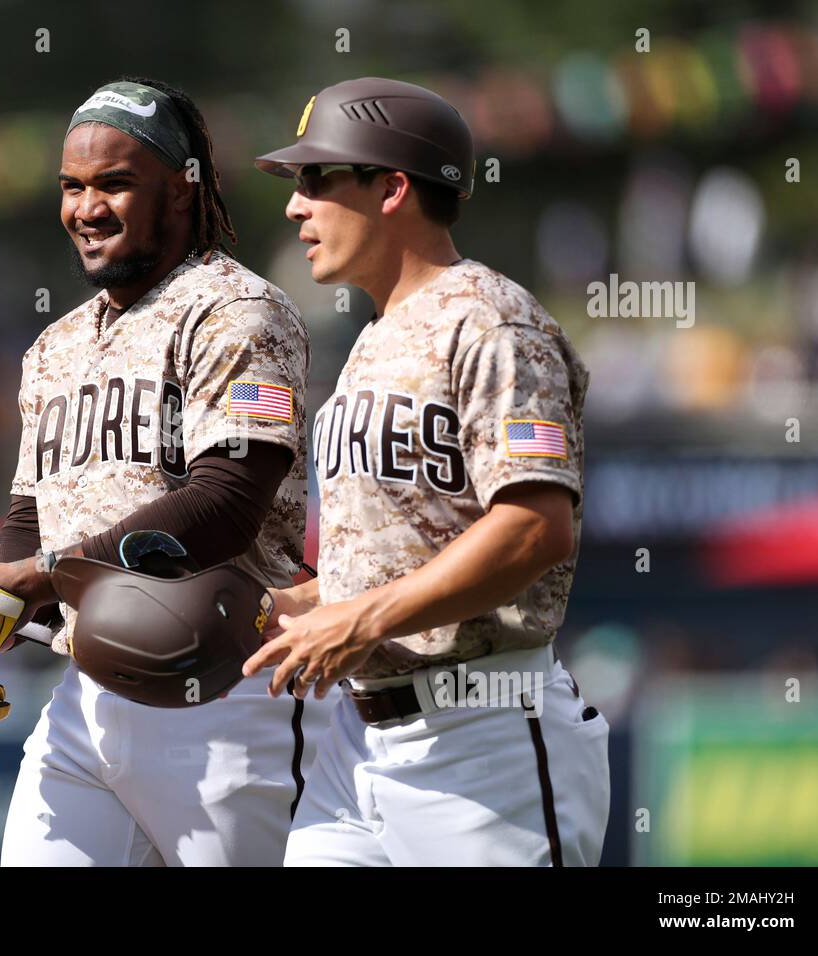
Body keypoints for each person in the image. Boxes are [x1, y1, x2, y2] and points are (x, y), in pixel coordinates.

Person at [0, 77, 331, 866]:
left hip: (225, 694)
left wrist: (43, 578)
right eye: (73, 187)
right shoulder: (53, 347)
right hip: (84, 704)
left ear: (184, 189)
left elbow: (227, 500)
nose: (86, 207)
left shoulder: (238, 310)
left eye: (115, 183)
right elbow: (29, 521)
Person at [245, 77, 610, 866]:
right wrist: (302, 604)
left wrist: (364, 618)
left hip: (485, 740)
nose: (294, 205)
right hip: (357, 749)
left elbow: (534, 528)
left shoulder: (492, 319)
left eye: (316, 179)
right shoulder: (374, 338)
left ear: (393, 188)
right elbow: (406, 547)